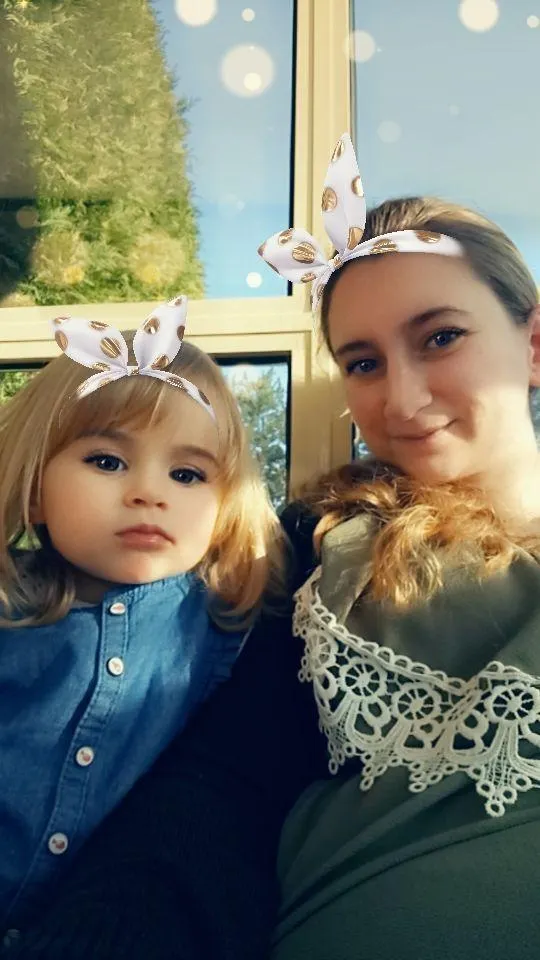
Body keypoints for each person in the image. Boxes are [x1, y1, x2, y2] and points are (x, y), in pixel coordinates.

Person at [7, 133, 540, 959]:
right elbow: (215, 791)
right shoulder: (317, 547)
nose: (400, 398)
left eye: (440, 338)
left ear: (532, 345)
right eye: (362, 362)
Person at [0, 295, 283, 941]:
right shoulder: (9, 609)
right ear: (36, 488)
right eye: (107, 461)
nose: (149, 492)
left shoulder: (232, 635)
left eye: (187, 473)